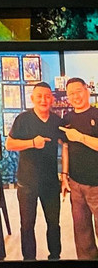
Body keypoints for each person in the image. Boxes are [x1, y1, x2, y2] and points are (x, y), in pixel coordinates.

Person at [6, 82, 63, 262]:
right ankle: (29, 260)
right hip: (27, 183)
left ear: (52, 99)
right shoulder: (23, 119)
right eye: (39, 96)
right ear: (32, 98)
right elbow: (9, 144)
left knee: (54, 224)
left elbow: (67, 145)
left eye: (47, 96)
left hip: (51, 182)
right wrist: (32, 143)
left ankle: (55, 257)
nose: (43, 100)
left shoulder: (57, 121)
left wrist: (65, 174)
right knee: (27, 225)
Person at [59, 76, 98, 260]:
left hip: (96, 184)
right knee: (81, 232)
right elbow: (66, 148)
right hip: (75, 184)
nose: (75, 96)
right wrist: (64, 175)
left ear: (87, 91)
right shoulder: (67, 118)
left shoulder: (96, 114)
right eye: (71, 94)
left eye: (78, 91)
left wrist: (81, 137)